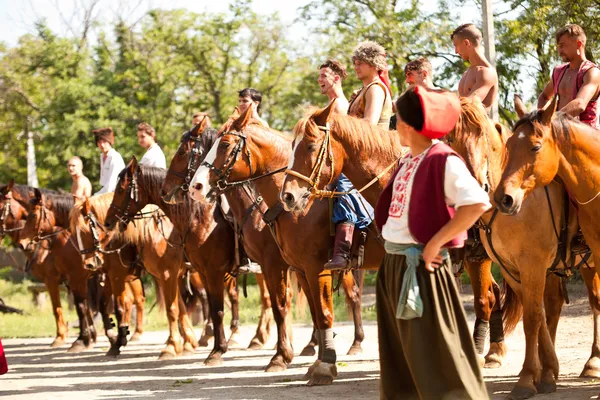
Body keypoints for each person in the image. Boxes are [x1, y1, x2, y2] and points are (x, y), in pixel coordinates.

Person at [374, 86, 490, 399]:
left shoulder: (443, 159)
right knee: (399, 360)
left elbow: (477, 203)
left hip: (421, 270)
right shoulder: (408, 159)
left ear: (408, 126)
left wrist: (435, 243)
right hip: (394, 266)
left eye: (397, 120)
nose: (394, 125)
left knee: (438, 359)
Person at [324, 42, 392, 270]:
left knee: (342, 183)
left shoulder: (375, 88)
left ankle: (343, 251)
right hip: (360, 153)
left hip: (373, 154)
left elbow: (369, 125)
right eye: (355, 62)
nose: (356, 66)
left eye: (360, 62)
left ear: (374, 64)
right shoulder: (364, 89)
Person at [538, 24, 600, 128]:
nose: (559, 50)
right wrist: (540, 117)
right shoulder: (558, 72)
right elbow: (544, 96)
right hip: (560, 133)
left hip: (586, 138)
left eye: (562, 45)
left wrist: (551, 119)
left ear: (578, 44)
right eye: (558, 46)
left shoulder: (592, 72)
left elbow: (580, 104)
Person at [452, 23, 499, 113]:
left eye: (456, 45)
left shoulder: (487, 72)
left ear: (466, 43)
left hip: (480, 126)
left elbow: (470, 104)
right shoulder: (466, 73)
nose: (456, 51)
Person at [93, 127, 125, 195]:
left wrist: (97, 195)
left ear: (109, 142)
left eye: (104, 142)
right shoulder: (102, 156)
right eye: (99, 142)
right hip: (105, 191)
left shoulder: (115, 157)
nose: (102, 145)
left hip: (116, 193)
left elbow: (112, 183)